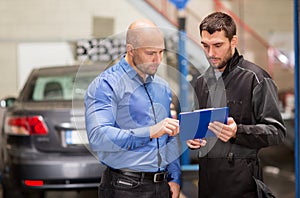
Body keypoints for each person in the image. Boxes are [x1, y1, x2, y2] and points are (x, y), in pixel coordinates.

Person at [186, 12, 286, 198]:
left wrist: (237, 132)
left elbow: (277, 132)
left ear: (233, 41)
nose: (211, 53)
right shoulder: (201, 82)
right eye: (205, 46)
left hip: (242, 185)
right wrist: (193, 139)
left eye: (218, 45)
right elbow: (199, 127)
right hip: (207, 184)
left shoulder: (256, 78)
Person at [84, 19, 181, 198]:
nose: (158, 60)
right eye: (150, 53)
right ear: (130, 49)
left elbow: (169, 136)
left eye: (161, 52)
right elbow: (98, 137)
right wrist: (150, 132)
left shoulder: (162, 87)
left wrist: (174, 176)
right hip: (125, 187)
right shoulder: (106, 85)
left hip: (161, 187)